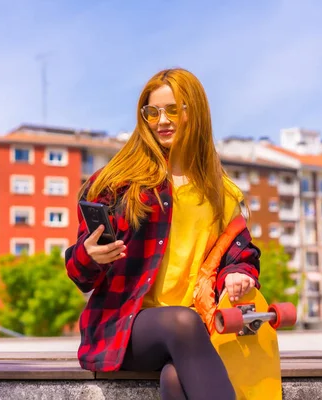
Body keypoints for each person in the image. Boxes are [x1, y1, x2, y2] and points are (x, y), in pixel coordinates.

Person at [65, 68, 262, 400]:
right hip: (126, 326)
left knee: (175, 378)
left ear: (195, 112)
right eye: (152, 112)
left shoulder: (222, 194)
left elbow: (242, 256)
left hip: (199, 330)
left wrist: (238, 275)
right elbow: (77, 271)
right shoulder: (118, 183)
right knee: (182, 323)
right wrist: (90, 256)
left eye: (174, 109)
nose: (162, 120)